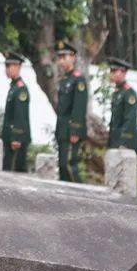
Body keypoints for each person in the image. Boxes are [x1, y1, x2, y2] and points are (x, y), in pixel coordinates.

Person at [54, 40, 88, 183]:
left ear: (73, 58)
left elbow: (79, 106)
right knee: (62, 167)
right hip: (62, 130)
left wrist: (75, 130)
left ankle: (82, 196)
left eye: (65, 57)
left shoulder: (78, 80)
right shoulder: (64, 80)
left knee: (69, 164)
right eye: (59, 57)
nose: (61, 61)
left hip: (71, 131)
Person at [1, 52, 31, 172]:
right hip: (10, 137)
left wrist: (16, 137)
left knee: (15, 175)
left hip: (17, 139)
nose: (7, 69)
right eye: (6, 66)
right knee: (7, 171)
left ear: (18, 66)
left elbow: (20, 115)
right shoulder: (13, 87)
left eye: (10, 66)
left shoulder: (20, 88)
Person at [107, 57, 137, 153]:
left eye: (114, 71)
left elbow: (130, 119)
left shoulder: (129, 93)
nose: (111, 74)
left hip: (125, 144)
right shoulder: (117, 92)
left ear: (123, 72)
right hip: (115, 141)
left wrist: (124, 142)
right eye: (111, 70)